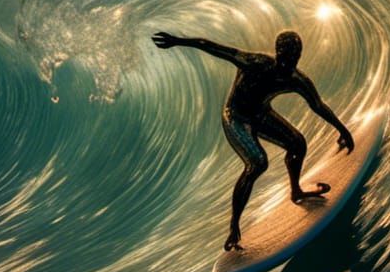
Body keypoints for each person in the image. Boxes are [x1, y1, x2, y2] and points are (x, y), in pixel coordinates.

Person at [152, 29, 354, 251]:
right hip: (235, 117)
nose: (289, 64)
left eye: (294, 58)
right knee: (258, 162)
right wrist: (177, 41)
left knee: (297, 144)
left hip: (260, 114)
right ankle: (233, 229)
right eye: (286, 58)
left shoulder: (297, 80)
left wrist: (342, 130)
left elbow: (317, 105)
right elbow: (213, 47)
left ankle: (296, 191)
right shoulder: (255, 63)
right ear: (278, 54)